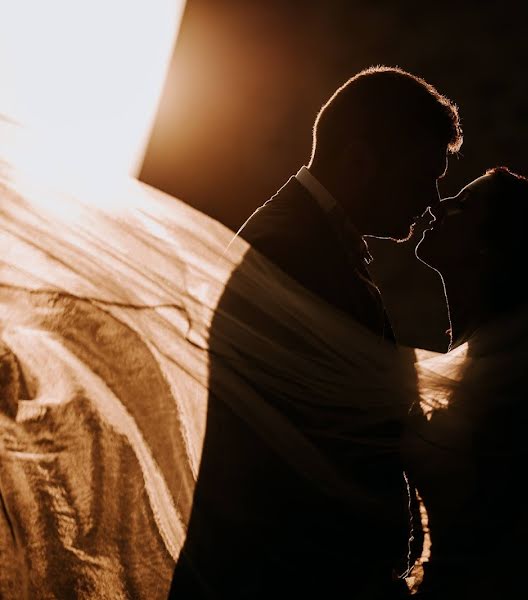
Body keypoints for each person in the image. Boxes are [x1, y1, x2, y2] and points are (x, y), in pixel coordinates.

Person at [168, 66, 462, 599]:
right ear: (360, 161)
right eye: (424, 174)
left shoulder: (312, 241)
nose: (433, 201)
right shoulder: (290, 251)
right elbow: (307, 441)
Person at [408, 167, 528, 598]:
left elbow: (504, 547)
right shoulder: (480, 369)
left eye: (463, 205)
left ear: (490, 247)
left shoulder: (514, 392)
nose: (439, 206)